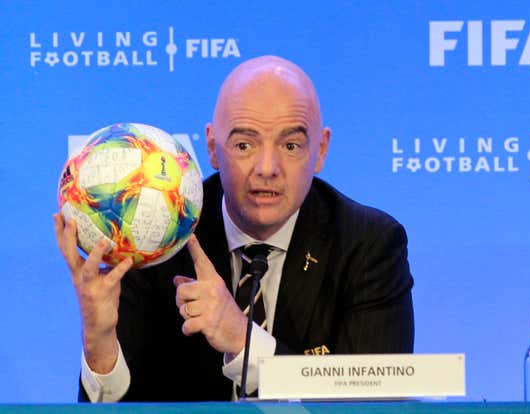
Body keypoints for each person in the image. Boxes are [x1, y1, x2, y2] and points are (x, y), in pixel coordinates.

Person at [54, 55, 414, 402]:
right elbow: (131, 404)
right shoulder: (157, 235)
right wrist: (99, 343)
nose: (267, 168)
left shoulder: (369, 243)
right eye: (244, 145)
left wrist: (244, 341)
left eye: (291, 145)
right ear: (212, 148)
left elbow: (373, 401)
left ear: (320, 151)